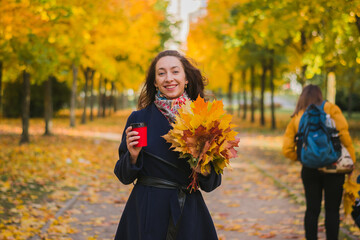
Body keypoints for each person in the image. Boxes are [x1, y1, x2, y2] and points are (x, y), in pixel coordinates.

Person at [114, 50, 221, 240]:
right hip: (147, 210)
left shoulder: (203, 120)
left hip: (187, 211)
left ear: (186, 78)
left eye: (175, 71)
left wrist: (202, 167)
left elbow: (212, 183)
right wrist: (132, 156)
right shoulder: (139, 119)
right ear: (155, 82)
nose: (169, 78)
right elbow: (123, 176)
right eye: (161, 73)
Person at [282, 84, 356, 240]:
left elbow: (287, 149)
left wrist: (304, 158)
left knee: (312, 210)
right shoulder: (331, 109)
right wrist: (351, 163)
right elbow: (344, 137)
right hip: (334, 167)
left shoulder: (299, 115)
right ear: (319, 95)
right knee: (332, 210)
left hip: (309, 169)